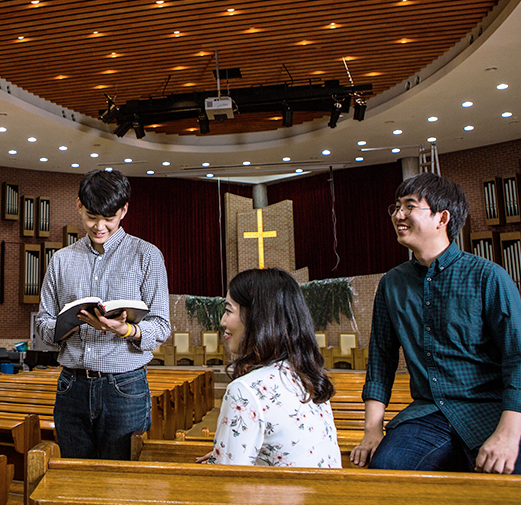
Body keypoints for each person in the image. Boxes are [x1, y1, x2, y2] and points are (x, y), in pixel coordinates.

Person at [350, 172, 521, 475]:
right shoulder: (392, 283)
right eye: (396, 207)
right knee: (385, 471)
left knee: (517, 492)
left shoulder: (488, 277)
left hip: (493, 411)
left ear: (442, 218)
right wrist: (372, 430)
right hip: (429, 413)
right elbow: (380, 360)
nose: (398, 215)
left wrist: (508, 435)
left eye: (410, 206)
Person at [36, 169, 170, 460]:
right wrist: (67, 326)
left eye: (109, 218)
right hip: (72, 384)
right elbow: (43, 324)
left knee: (121, 480)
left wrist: (124, 330)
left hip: (124, 386)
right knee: (71, 475)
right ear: (79, 206)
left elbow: (161, 325)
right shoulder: (61, 260)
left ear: (124, 210)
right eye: (91, 217)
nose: (99, 227)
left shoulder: (146, 256)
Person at [199, 268, 340, 467]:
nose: (223, 321)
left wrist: (220, 459)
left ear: (257, 318)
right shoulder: (307, 377)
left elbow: (227, 478)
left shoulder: (245, 390)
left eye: (229, 310)